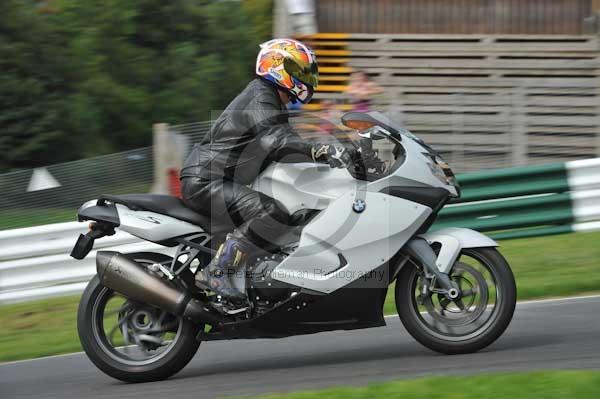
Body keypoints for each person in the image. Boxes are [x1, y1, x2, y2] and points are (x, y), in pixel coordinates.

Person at [180, 38, 354, 303]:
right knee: (270, 210)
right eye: (300, 72)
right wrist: (321, 150)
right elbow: (277, 141)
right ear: (278, 67)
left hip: (213, 177)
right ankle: (218, 272)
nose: (306, 78)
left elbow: (286, 143)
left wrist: (329, 156)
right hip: (206, 180)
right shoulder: (260, 97)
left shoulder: (269, 100)